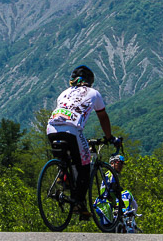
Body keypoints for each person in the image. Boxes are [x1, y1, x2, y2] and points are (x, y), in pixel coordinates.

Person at [46, 65, 120, 219]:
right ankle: (78, 202)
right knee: (85, 167)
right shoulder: (94, 93)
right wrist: (109, 137)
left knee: (68, 156)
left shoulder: (64, 93)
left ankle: (62, 173)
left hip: (51, 128)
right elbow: (103, 117)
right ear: (90, 81)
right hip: (72, 130)